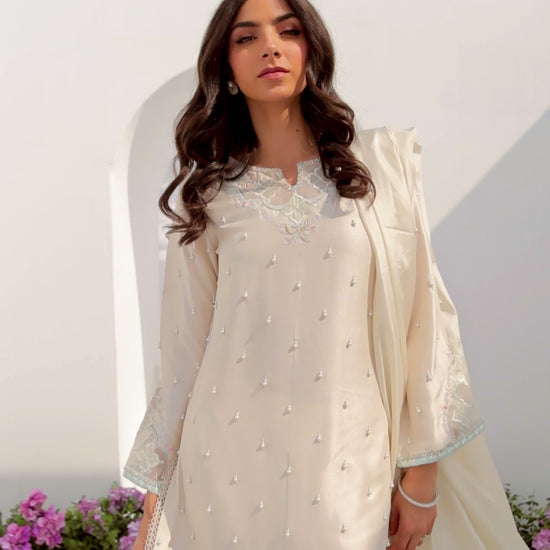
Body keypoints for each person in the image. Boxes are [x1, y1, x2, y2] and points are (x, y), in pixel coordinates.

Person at [123, 0, 528, 549]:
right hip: (227, 464)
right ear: (227, 68)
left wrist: (422, 475)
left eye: (287, 31)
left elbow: (425, 320)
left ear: (310, 48)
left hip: (352, 452)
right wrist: (155, 506)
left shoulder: (376, 168)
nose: (270, 47)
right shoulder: (209, 198)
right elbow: (182, 359)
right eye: (246, 38)